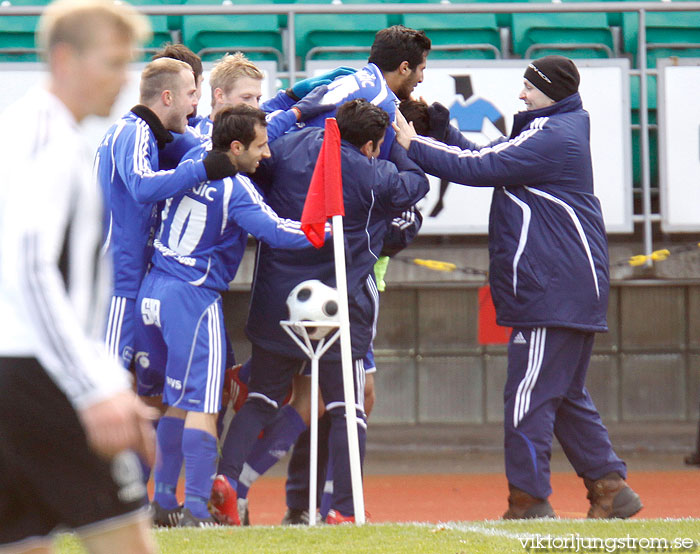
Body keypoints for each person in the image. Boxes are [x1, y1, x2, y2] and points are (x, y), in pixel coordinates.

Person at [394, 55, 643, 520]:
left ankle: (529, 502)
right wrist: (441, 131)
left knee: (528, 397)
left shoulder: (555, 136)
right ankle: (610, 489)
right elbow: (484, 159)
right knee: (564, 395)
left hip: (551, 288)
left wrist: (411, 143)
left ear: (550, 92)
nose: (521, 95)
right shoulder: (550, 131)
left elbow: (480, 168)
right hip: (562, 286)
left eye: (529, 87)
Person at [210, 99, 429, 525]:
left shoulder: (287, 147)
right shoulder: (375, 173)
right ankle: (345, 510)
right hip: (338, 306)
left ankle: (227, 480)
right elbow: (415, 184)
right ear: (371, 144)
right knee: (346, 405)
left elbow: (261, 162)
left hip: (279, 298)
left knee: (261, 398)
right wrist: (405, 144)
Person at [0, 0, 157, 552]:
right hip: (39, 381)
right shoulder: (46, 141)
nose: (124, 79)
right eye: (113, 62)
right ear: (65, 60)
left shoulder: (32, 132)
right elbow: (30, 272)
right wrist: (95, 388)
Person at [140, 104, 325, 527]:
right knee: (204, 405)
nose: (268, 155)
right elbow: (276, 232)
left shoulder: (194, 160)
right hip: (192, 299)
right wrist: (329, 232)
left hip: (153, 291)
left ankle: (165, 502)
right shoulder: (235, 188)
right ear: (236, 146)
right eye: (260, 147)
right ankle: (198, 510)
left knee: (174, 403)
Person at [97, 57, 240, 393]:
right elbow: (142, 185)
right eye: (191, 94)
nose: (196, 103)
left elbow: (203, 146)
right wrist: (202, 170)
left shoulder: (145, 133)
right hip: (119, 279)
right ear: (167, 98)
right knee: (108, 384)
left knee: (135, 385)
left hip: (131, 278)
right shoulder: (132, 130)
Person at [302, 25, 431, 160]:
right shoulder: (383, 103)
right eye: (421, 69)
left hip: (293, 153)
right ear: (404, 68)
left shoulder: (356, 79)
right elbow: (384, 173)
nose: (421, 79)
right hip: (307, 166)